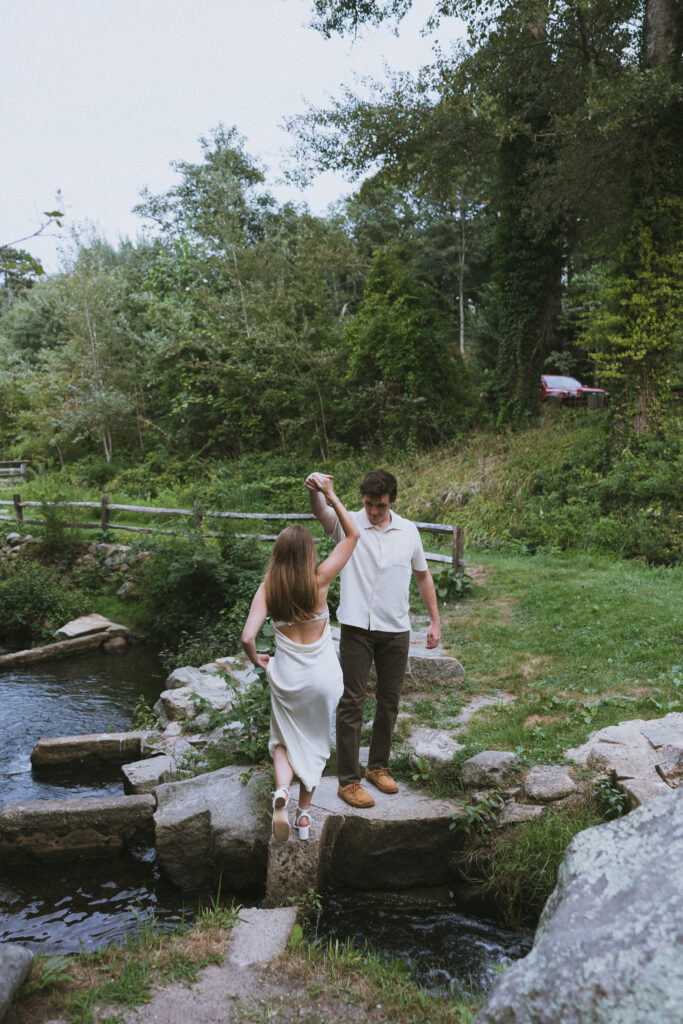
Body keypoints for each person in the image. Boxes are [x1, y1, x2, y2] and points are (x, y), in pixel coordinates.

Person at [306, 468, 441, 809]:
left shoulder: (408, 531)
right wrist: (316, 488)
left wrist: (435, 621)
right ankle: (348, 781)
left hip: (396, 629)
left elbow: (423, 576)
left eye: (380, 505)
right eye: (368, 504)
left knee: (389, 701)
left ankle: (377, 766)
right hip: (356, 628)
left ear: (392, 501)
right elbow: (320, 512)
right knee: (351, 701)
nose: (373, 511)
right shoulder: (349, 523)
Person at [241, 476, 360, 841]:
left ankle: (282, 792)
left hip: (286, 677)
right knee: (316, 743)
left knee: (283, 741)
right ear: (308, 553)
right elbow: (353, 536)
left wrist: (256, 659)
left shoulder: (268, 587)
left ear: (278, 553)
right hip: (323, 677)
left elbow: (247, 636)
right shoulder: (319, 579)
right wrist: (330, 496)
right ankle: (304, 816)